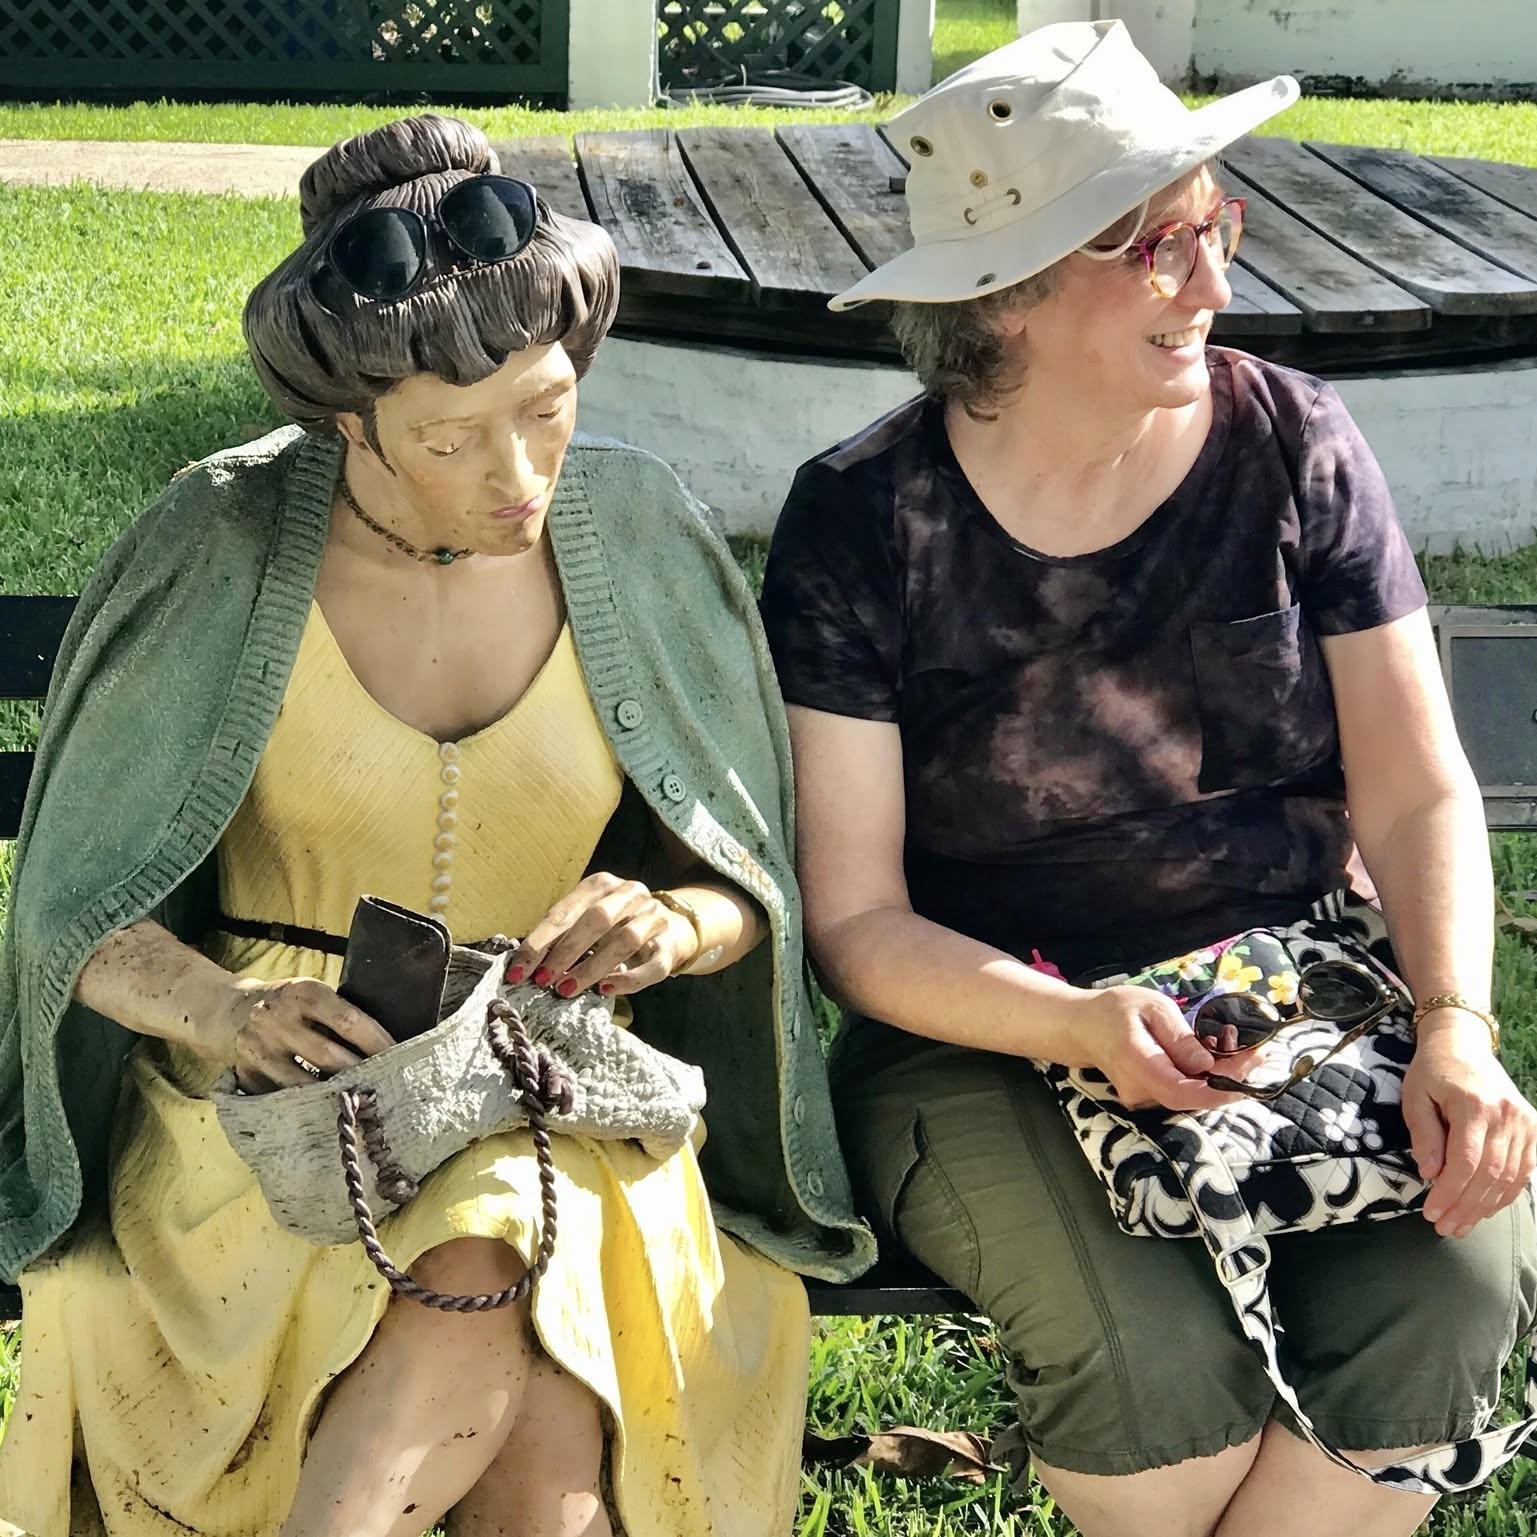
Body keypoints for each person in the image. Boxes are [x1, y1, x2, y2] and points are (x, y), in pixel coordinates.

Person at [0, 113, 871, 1537]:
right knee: (526, 1363)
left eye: (545, 406)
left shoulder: (639, 529)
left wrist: (672, 921)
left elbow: (742, 881)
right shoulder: (215, 534)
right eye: (452, 439)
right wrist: (221, 1009)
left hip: (559, 1078)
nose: (517, 474)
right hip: (268, 1102)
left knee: (493, 1221)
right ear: (347, 424)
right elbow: (74, 909)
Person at [760, 23, 1537, 1537]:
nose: (1215, 280)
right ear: (1012, 294)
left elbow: (1417, 789)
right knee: (1156, 1372)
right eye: (1159, 244)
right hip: (978, 1027)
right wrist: (1071, 1021)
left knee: (1453, 1285)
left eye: (1216, 225)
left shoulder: (1292, 445)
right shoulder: (864, 523)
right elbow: (854, 917)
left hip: (1294, 1001)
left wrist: (1453, 1023)